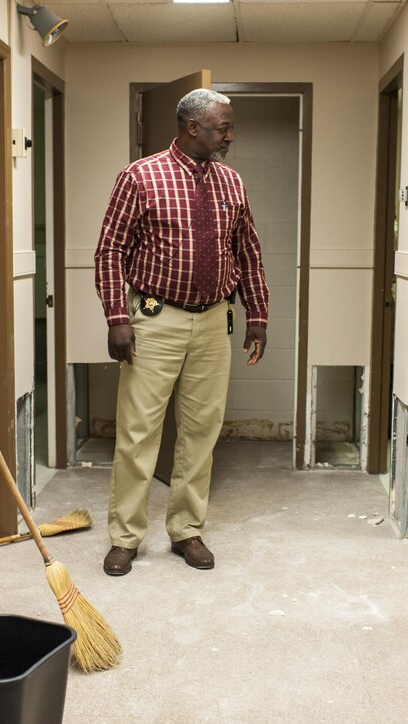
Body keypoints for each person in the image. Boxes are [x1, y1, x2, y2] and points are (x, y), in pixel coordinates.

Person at [93, 88, 269, 576]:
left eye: (230, 126)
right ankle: (125, 537)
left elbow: (248, 253)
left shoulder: (233, 183)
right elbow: (110, 251)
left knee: (201, 431)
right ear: (194, 128)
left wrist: (257, 315)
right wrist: (117, 318)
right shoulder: (141, 176)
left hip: (215, 322)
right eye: (223, 127)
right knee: (138, 432)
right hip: (154, 320)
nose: (230, 135)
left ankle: (187, 531)